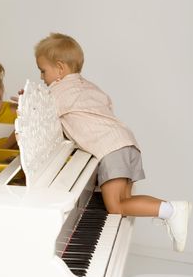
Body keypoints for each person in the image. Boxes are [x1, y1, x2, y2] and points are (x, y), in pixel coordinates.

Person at [33, 32, 192, 252]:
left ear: (60, 68)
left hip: (110, 150)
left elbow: (40, 117)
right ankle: (169, 210)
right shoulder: (88, 87)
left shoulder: (57, 93)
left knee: (116, 207)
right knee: (125, 201)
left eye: (43, 71)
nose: (42, 77)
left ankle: (171, 210)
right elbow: (106, 105)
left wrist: (25, 105)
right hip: (126, 143)